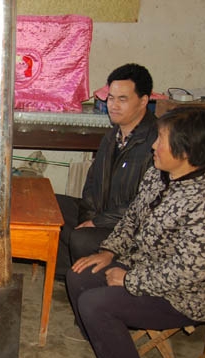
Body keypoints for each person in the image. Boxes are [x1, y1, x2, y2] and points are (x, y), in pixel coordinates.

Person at [65, 107, 205, 358]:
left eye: (162, 140)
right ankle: (101, 337)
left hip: (181, 296)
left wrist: (129, 280)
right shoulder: (160, 175)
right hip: (143, 265)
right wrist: (109, 251)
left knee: (96, 303)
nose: (154, 145)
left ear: (186, 151)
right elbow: (131, 218)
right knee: (79, 274)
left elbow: (186, 272)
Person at [56, 63, 158, 278]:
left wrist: (96, 222)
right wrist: (89, 217)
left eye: (123, 99)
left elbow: (146, 203)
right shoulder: (112, 136)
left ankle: (86, 279)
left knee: (81, 238)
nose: (114, 106)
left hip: (128, 226)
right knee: (53, 208)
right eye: (111, 98)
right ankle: (69, 275)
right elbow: (92, 183)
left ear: (143, 101)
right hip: (102, 214)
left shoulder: (156, 142)